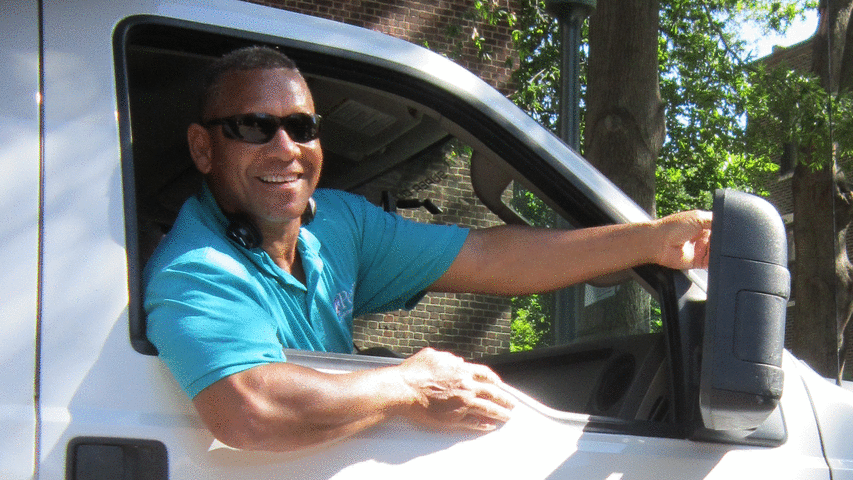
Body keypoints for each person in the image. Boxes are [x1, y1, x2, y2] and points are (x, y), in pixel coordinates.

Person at [144, 46, 712, 453]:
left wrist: (652, 239)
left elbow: (492, 258)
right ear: (203, 148)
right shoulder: (194, 267)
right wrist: (408, 386)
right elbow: (250, 411)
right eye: (253, 127)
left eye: (302, 125)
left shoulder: (337, 224)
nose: (286, 148)